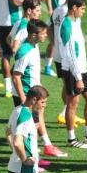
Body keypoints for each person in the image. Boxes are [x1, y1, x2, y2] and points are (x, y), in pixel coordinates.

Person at [11, 19, 67, 159]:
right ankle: (30, 158)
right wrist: (24, 99)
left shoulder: (33, 46)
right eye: (43, 33)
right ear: (34, 35)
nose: (46, 36)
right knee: (27, 128)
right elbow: (16, 76)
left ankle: (42, 150)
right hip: (26, 95)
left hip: (34, 94)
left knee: (34, 124)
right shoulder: (24, 51)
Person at [60, 0, 87, 148]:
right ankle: (71, 139)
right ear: (74, 8)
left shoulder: (75, 21)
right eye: (82, 9)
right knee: (72, 104)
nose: (84, 12)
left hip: (82, 69)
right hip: (73, 71)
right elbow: (70, 53)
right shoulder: (67, 25)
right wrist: (78, 77)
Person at [52, 0, 83, 127]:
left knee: (66, 85)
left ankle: (68, 113)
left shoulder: (57, 10)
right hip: (68, 56)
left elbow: (49, 26)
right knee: (70, 89)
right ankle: (66, 113)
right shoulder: (68, 14)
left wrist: (54, 43)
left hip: (59, 54)